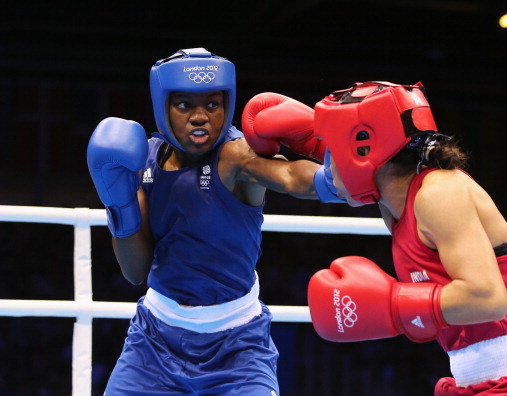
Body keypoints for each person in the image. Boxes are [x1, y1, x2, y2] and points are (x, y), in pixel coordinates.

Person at [300, 81, 507, 394]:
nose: (327, 164)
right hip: (472, 383)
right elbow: (328, 182)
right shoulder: (394, 203)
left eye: (331, 149)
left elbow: (487, 298)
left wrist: (395, 305)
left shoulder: (439, 194)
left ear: (364, 150)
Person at [86, 47, 333, 395]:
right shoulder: (144, 163)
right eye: (185, 105)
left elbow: (291, 176)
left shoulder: (235, 157)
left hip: (237, 347)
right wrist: (119, 203)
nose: (200, 117)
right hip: (154, 341)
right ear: (163, 107)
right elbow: (134, 272)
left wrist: (335, 177)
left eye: (212, 105)